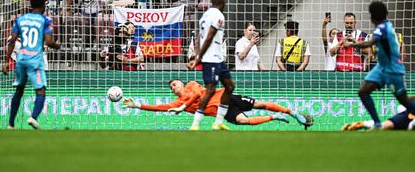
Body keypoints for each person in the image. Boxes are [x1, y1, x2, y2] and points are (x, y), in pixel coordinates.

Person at [344, 1, 415, 130]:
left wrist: (351, 44)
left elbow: (369, 44)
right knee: (363, 91)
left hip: (392, 69)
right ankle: (377, 124)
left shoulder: (382, 28)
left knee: (403, 100)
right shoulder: (386, 25)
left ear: (373, 17)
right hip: (381, 67)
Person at [122, 79, 313, 127]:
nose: (174, 88)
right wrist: (137, 105)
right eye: (171, 88)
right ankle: (275, 117)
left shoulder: (191, 85)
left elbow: (197, 93)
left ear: (180, 82)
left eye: (174, 84)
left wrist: (183, 106)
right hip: (222, 112)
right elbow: (157, 108)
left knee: (260, 104)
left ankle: (293, 113)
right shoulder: (178, 102)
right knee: (244, 122)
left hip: (225, 97)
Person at [3, 0, 60, 129]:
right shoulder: (45, 20)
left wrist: (6, 61)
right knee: (40, 91)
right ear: (43, 5)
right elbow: (48, 41)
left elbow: (12, 40)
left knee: (19, 90)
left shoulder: (21, 19)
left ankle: (10, 124)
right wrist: (56, 45)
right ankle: (33, 118)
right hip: (35, 58)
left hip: (21, 58)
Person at [187, 0, 234, 130]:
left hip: (218, 58)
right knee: (210, 90)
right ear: (221, 2)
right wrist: (199, 57)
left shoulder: (205, 15)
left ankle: (218, 122)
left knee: (230, 86)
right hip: (210, 58)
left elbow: (198, 38)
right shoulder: (218, 15)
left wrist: (196, 55)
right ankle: (195, 124)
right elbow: (209, 37)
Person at [342, 96, 415, 132]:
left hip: (401, 120)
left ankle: (364, 124)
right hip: (414, 123)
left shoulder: (401, 107)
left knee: (385, 126)